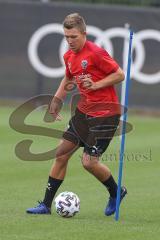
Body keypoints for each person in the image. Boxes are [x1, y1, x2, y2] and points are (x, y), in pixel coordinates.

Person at [26, 13, 127, 216]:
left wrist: (97, 84)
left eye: (74, 37)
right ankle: (45, 205)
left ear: (84, 34)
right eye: (66, 37)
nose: (70, 41)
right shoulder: (69, 56)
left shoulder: (96, 52)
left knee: (89, 162)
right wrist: (56, 102)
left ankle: (116, 192)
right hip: (84, 112)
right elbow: (68, 79)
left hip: (106, 114)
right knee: (61, 154)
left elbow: (120, 74)